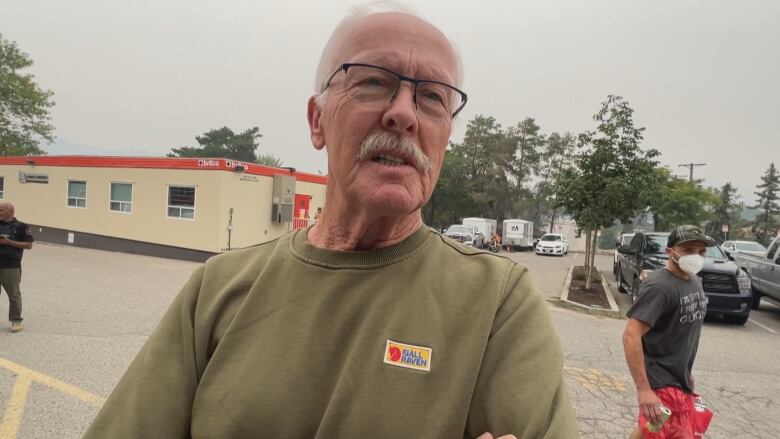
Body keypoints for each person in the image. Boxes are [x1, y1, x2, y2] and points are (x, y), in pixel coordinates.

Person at [84, 4, 578, 438]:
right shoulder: (217, 289)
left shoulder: (498, 303)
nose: (403, 114)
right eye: (374, 82)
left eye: (432, 97)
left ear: (445, 135)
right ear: (316, 121)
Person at [622, 225, 713, 439]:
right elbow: (631, 335)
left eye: (701, 251)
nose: (696, 256)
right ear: (670, 252)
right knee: (657, 432)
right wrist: (644, 390)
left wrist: (686, 374)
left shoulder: (695, 283)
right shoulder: (659, 287)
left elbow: (681, 335)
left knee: (648, 432)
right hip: (661, 384)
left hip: (679, 382)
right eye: (689, 249)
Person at [0, 201, 34, 333]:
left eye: (1, 211)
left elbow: (28, 245)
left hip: (11, 265)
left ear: (11, 212)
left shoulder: (21, 226)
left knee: (14, 294)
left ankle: (15, 321)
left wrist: (9, 242)